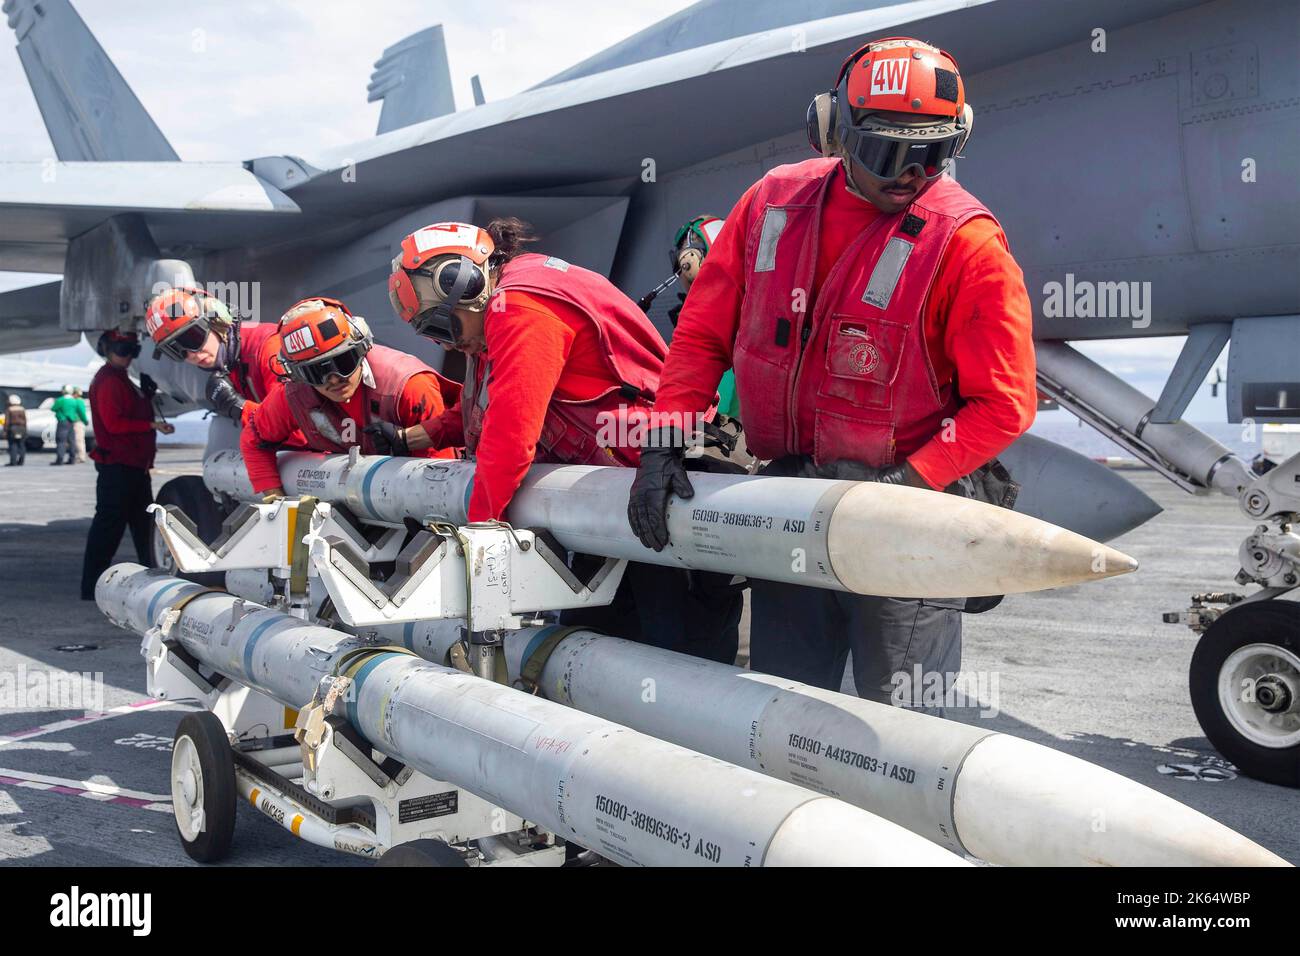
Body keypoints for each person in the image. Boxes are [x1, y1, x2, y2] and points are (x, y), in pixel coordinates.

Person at [626, 37, 1036, 711]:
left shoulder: (967, 244)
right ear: (834, 132)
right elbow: (702, 333)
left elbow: (1005, 404)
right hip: (793, 500)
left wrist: (904, 488)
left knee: (903, 727)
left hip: (908, 512)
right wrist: (663, 442)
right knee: (788, 705)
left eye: (931, 156)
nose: (911, 176)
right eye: (888, 154)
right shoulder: (772, 204)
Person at [388, 218, 743, 663]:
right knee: (601, 657)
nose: (452, 345)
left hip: (667, 489)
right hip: (617, 500)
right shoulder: (504, 305)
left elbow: (512, 434)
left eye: (444, 328)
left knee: (679, 663)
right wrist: (425, 433)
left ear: (465, 281)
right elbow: (488, 405)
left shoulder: (519, 308)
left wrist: (476, 536)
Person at [241, 297, 460, 498]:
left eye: (342, 362)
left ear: (362, 349)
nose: (334, 380)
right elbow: (254, 439)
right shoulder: (293, 396)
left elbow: (440, 479)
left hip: (413, 497)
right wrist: (276, 502)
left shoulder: (408, 386)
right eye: (317, 372)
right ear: (299, 376)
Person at [80, 331, 175, 600]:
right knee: (109, 526)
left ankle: (152, 580)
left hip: (133, 466)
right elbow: (113, 424)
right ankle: (92, 586)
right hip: (118, 467)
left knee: (143, 524)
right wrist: (151, 424)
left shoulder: (121, 379)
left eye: (131, 350)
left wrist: (146, 397)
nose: (126, 355)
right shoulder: (109, 380)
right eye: (121, 349)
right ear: (108, 350)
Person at [145, 284, 288, 425]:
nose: (192, 354)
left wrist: (242, 409)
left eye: (193, 338)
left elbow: (292, 424)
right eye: (176, 350)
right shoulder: (232, 364)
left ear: (217, 321)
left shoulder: (268, 348)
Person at [50, 385, 83, 465]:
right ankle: (72, 459)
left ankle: (60, 460)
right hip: (71, 422)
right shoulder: (74, 401)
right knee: (72, 441)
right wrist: (85, 421)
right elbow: (80, 411)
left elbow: (53, 408)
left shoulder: (61, 400)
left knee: (61, 441)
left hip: (62, 422)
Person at [4, 395, 26, 466]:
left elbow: (7, 421)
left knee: (13, 445)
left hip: (13, 428)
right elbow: (25, 420)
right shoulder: (22, 409)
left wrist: (5, 431)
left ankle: (13, 462)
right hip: (22, 428)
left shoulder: (9, 409)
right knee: (21, 445)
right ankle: (21, 461)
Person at [70, 386, 90, 463]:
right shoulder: (76, 401)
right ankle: (79, 456)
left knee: (79, 440)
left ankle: (81, 457)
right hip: (76, 422)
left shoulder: (78, 401)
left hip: (78, 423)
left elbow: (82, 412)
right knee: (77, 440)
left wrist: (85, 420)